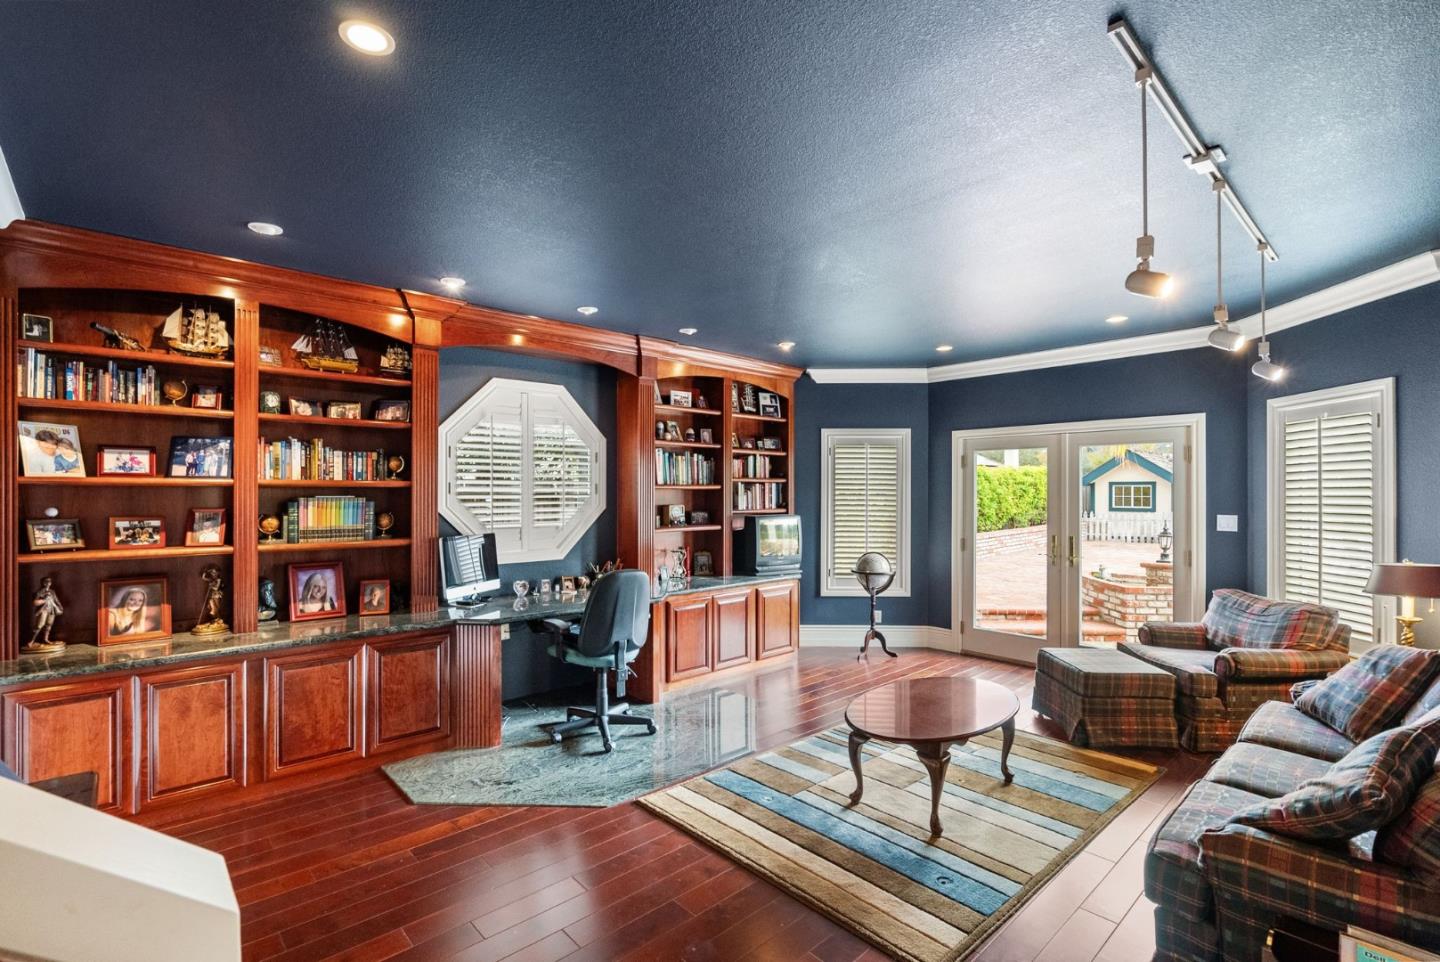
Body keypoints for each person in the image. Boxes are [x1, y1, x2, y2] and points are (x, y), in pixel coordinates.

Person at [27, 577, 64, 653]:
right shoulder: (39, 592)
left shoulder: (52, 591)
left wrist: (60, 607)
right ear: (43, 583)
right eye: (46, 582)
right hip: (43, 610)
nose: (48, 583)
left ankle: (46, 639)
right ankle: (31, 641)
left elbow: (56, 600)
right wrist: (44, 600)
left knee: (49, 625)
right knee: (39, 626)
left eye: (49, 582)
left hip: (51, 609)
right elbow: (35, 602)